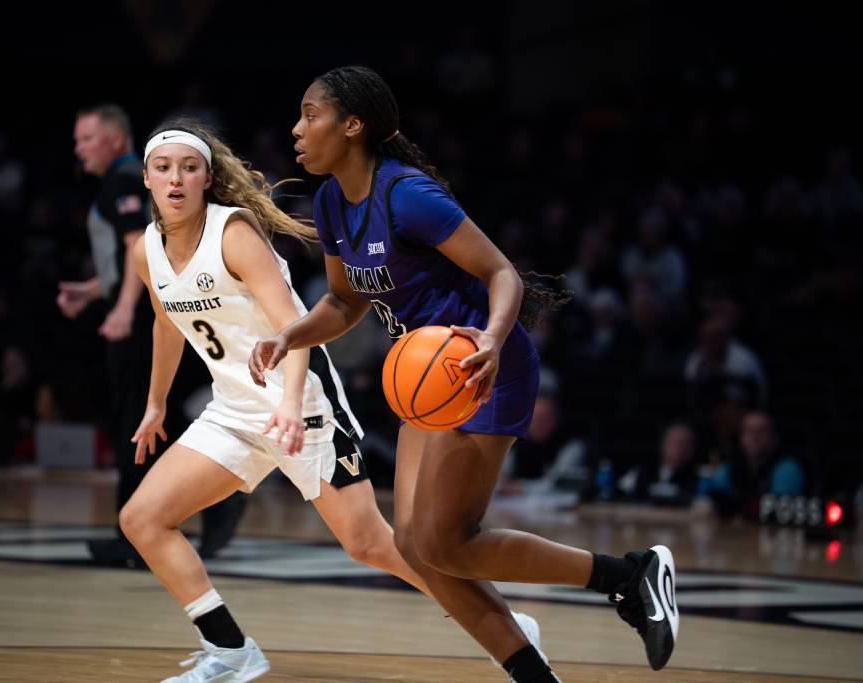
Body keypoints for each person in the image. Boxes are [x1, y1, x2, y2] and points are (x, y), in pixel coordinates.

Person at [250, 65, 680, 681]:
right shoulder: (329, 202)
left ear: (353, 125)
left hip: (481, 368)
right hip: (424, 379)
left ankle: (627, 575)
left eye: (309, 114)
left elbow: (502, 272)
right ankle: (543, 667)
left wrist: (493, 338)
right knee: (413, 547)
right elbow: (346, 302)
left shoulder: (407, 195)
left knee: (448, 542)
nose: (296, 129)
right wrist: (290, 334)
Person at [122, 118, 487, 683]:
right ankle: (232, 652)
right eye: (163, 169)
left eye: (189, 168)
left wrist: (290, 405)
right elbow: (168, 325)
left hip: (305, 403)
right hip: (234, 410)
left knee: (370, 545)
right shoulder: (147, 249)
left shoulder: (234, 234)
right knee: (143, 519)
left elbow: (292, 326)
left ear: (207, 177)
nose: (176, 180)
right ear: (145, 178)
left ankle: (504, 623)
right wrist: (156, 405)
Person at [58, 105, 244, 565]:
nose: (78, 147)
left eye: (87, 138)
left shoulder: (123, 179)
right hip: (155, 312)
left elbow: (135, 251)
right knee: (157, 423)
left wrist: (121, 310)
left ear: (118, 141)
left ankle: (137, 533)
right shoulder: (124, 181)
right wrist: (92, 290)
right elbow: (135, 260)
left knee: (136, 425)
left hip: (147, 320)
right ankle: (213, 503)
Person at [710, 411, 806, 519]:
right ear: (741, 438)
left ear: (773, 437)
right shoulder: (728, 468)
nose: (755, 437)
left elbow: (780, 512)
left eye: (761, 431)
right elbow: (712, 504)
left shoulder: (787, 469)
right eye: (749, 431)